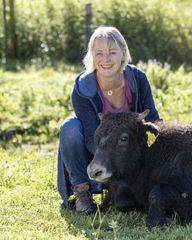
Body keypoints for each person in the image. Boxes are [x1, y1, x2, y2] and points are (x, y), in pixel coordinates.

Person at [57, 26, 161, 213]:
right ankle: (83, 191)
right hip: (98, 153)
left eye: (112, 52)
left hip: (131, 152)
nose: (105, 59)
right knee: (69, 127)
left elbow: (153, 118)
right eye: (99, 53)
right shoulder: (82, 88)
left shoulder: (138, 79)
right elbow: (90, 136)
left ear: (123, 53)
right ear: (92, 56)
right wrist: (111, 158)